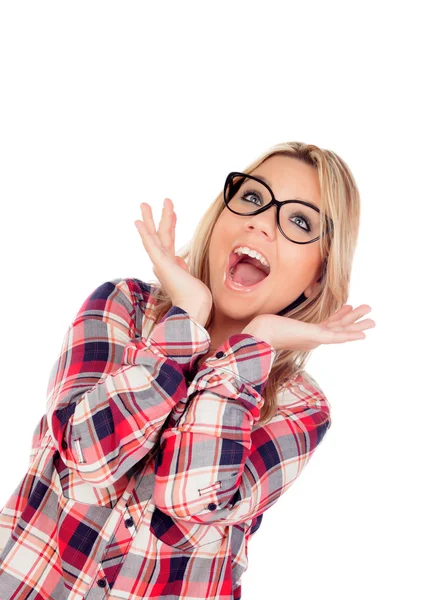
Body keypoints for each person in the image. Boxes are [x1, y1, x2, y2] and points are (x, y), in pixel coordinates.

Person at [0, 141, 375, 599]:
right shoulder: (123, 307)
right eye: (254, 198)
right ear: (222, 215)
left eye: (300, 222)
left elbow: (191, 496)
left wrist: (252, 346)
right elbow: (90, 454)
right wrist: (188, 319)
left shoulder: (301, 408)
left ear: (319, 272)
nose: (262, 222)